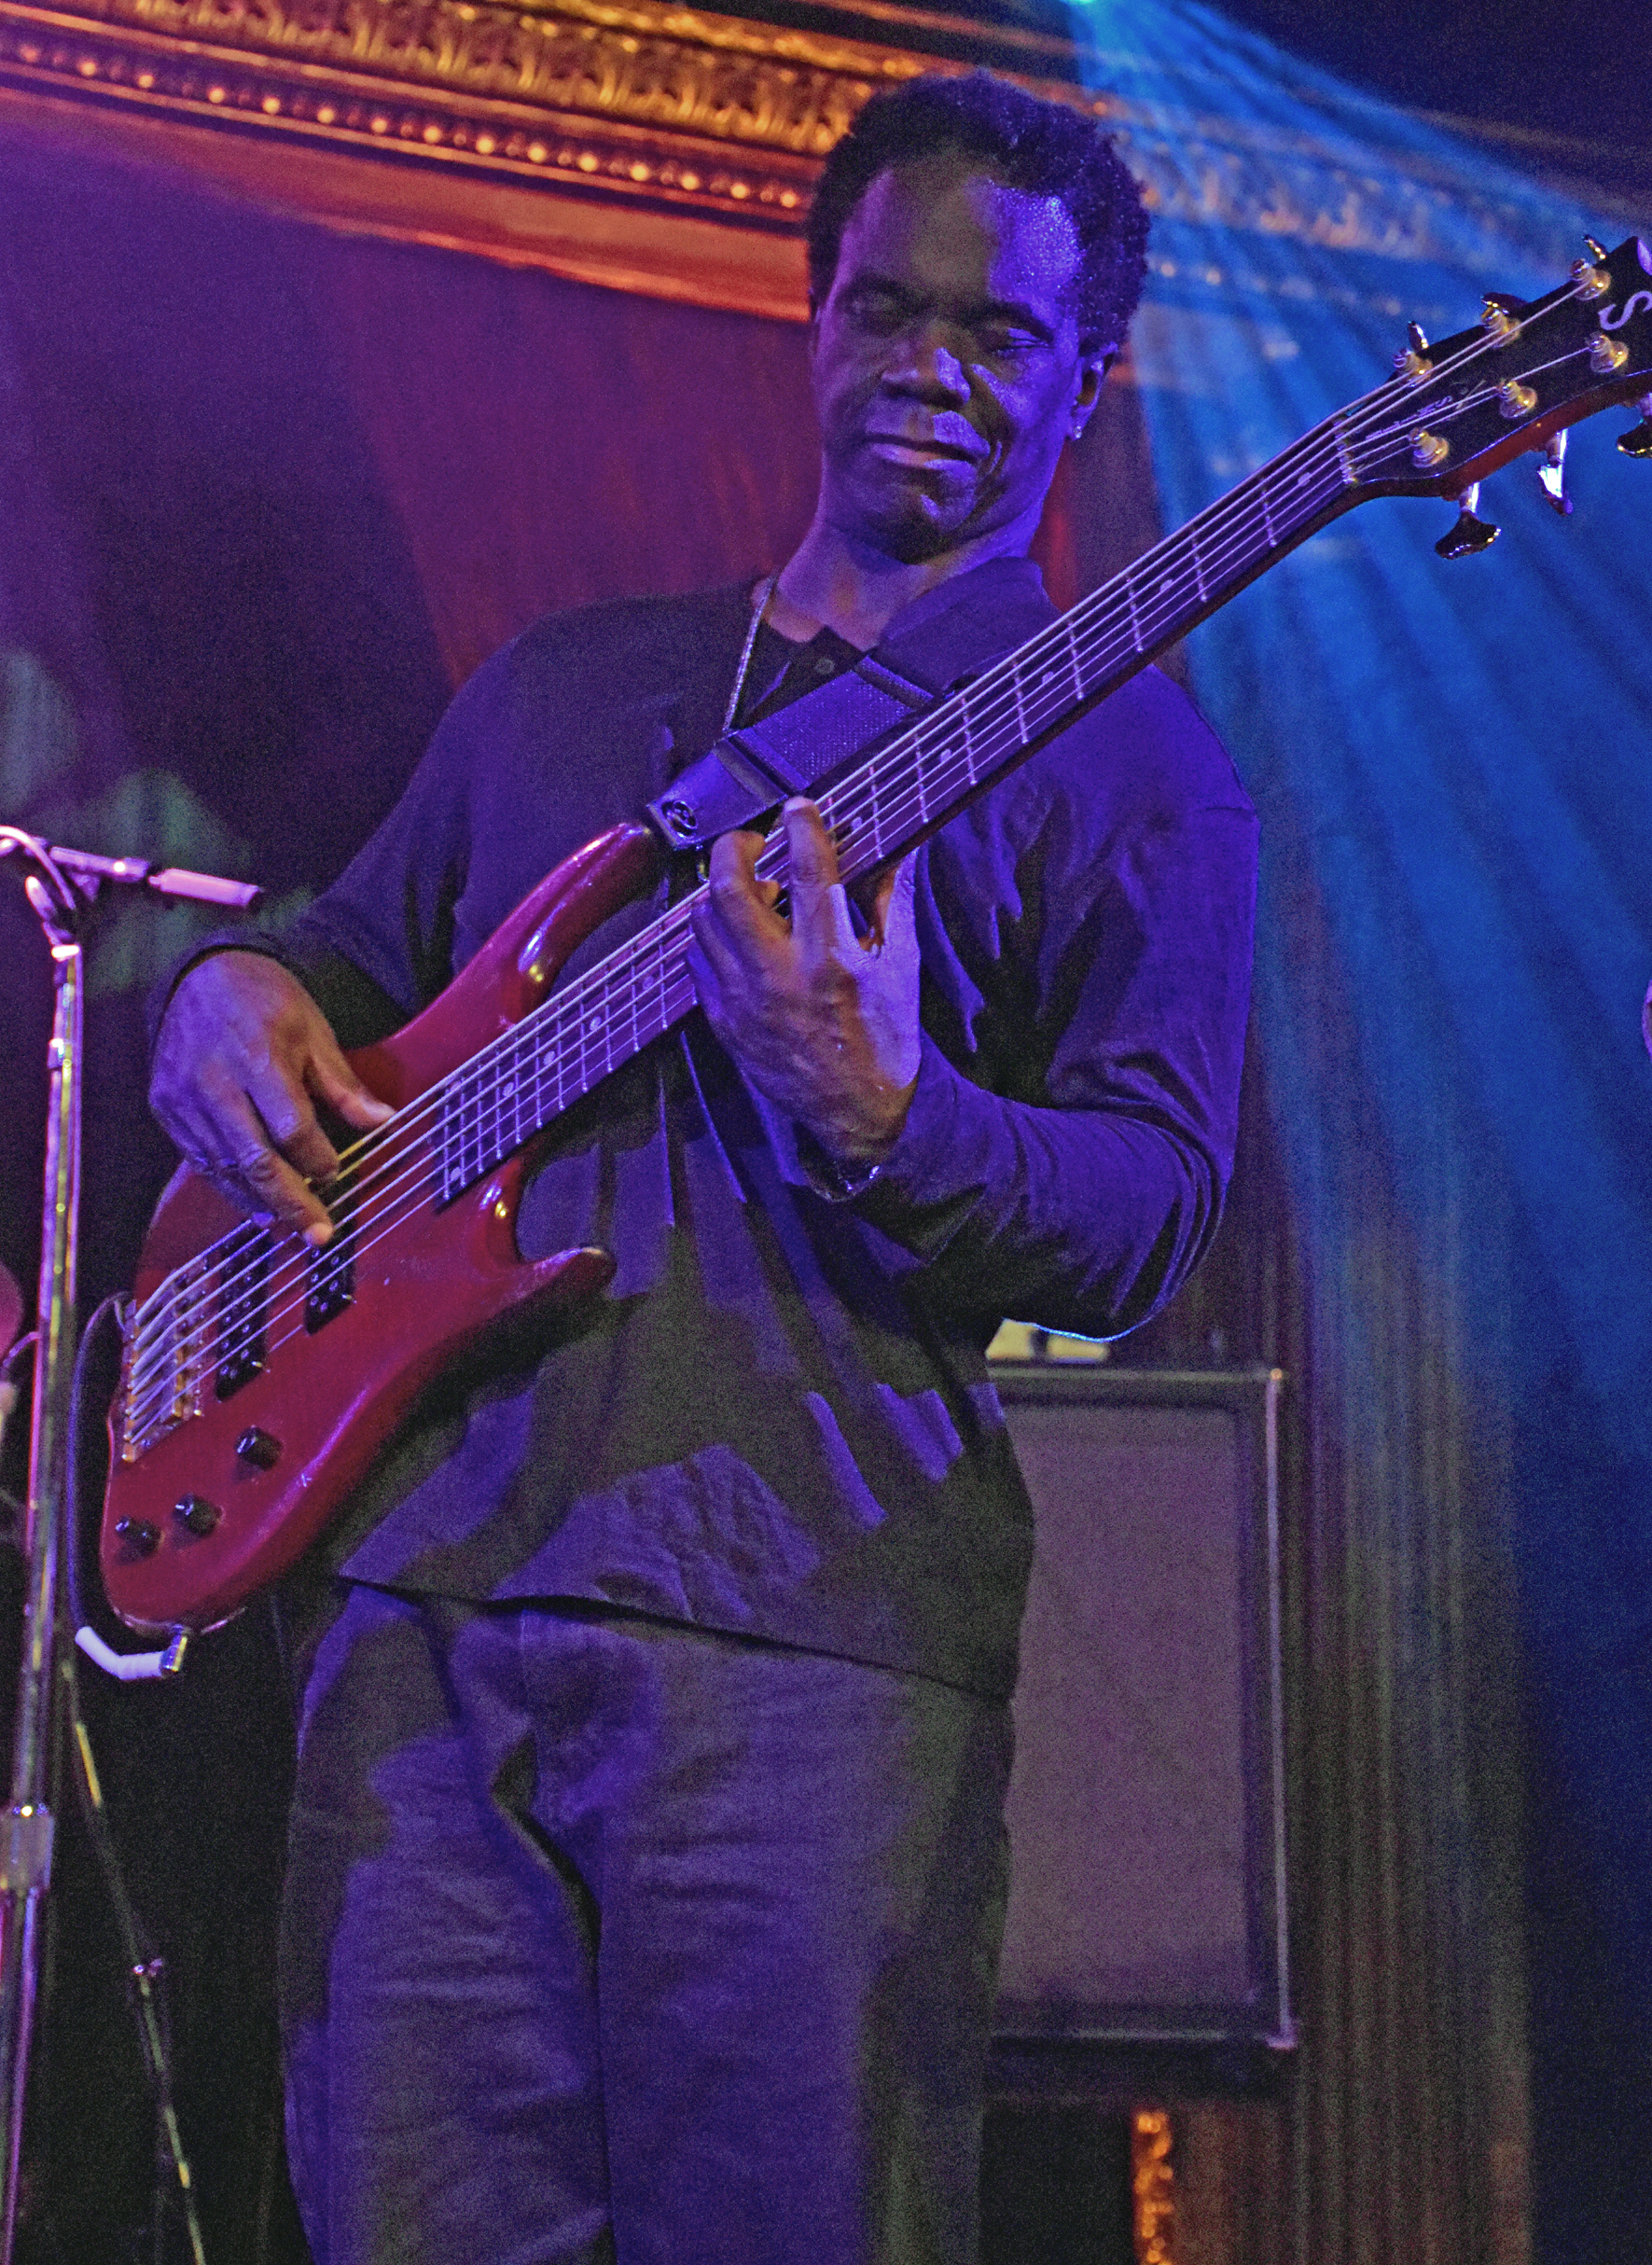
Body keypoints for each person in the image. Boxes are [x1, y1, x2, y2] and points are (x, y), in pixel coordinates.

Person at [147, 70, 1257, 2265]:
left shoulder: (1133, 758)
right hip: (419, 1614)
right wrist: (230, 989)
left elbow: (1149, 1211)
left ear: (1088, 374)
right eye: (885, 307)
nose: (928, 368)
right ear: (813, 313)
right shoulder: (568, 684)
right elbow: (355, 953)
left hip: (804, 1633)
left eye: (998, 332)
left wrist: (884, 1106)